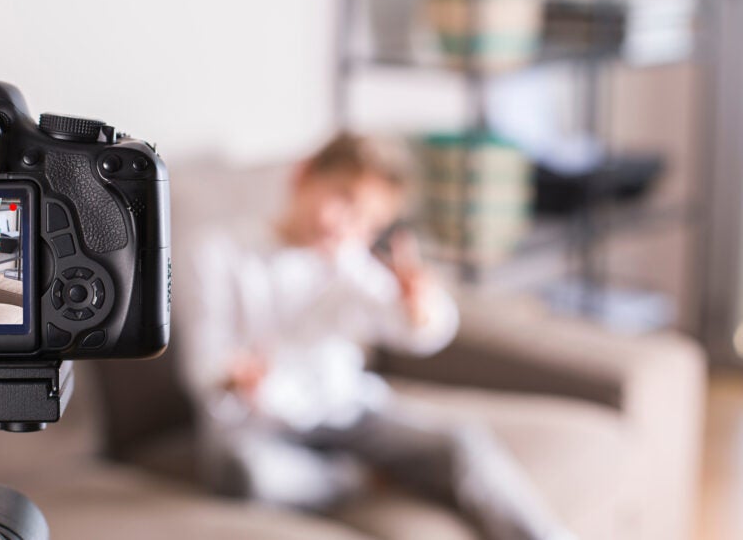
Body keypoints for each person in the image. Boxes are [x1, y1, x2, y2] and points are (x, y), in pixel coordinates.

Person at [177, 133, 575, 540]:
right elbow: (203, 363)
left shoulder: (348, 263)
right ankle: (355, 478)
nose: (345, 224)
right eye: (343, 198)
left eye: (366, 221)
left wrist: (417, 303)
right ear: (304, 175)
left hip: (345, 410)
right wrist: (234, 377)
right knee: (249, 475)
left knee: (461, 442)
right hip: (258, 427)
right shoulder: (217, 251)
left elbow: (420, 333)